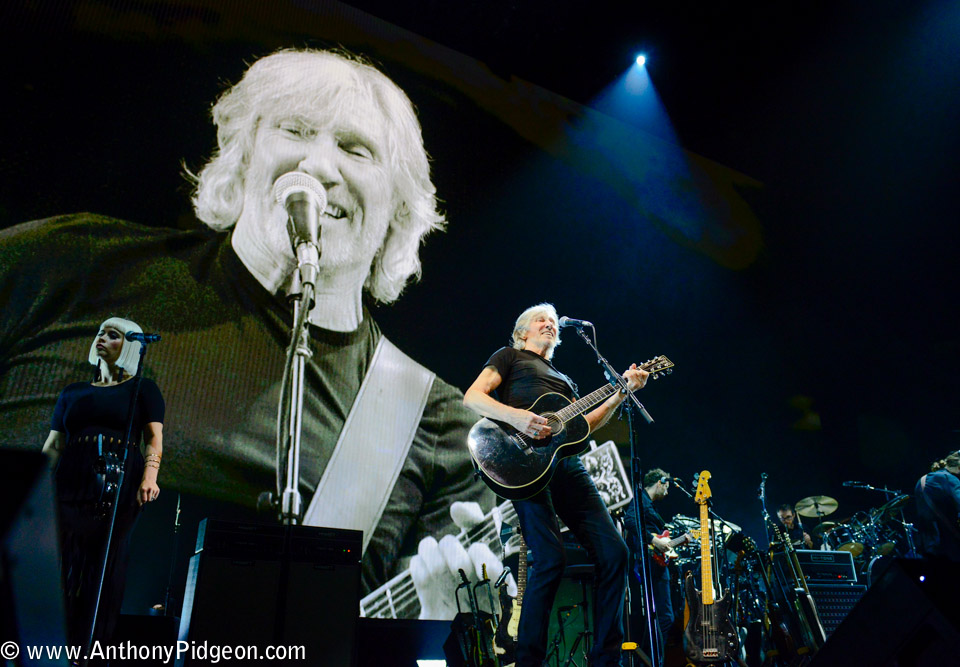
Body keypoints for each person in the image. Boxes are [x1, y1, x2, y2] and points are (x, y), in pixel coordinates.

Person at [0, 48, 493, 617]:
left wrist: (439, 632)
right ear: (242, 156)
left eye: (356, 150)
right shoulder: (64, 265)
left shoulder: (431, 425)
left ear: (398, 209)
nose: (321, 167)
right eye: (296, 129)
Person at [463, 303, 650, 667]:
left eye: (552, 322)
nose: (549, 324)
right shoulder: (509, 357)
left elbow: (584, 426)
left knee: (616, 553)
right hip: (522, 466)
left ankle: (605, 659)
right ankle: (529, 661)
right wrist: (519, 418)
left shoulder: (565, 382)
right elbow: (473, 397)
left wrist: (622, 390)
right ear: (522, 333)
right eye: (540, 320)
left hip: (567, 465)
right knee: (550, 558)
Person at [41, 317, 165, 648]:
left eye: (113, 335)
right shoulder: (72, 392)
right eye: (101, 333)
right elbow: (54, 445)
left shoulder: (143, 389)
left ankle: (92, 643)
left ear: (129, 347)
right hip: (70, 481)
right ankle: (52, 640)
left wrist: (149, 477)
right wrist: (35, 488)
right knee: (62, 559)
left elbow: (154, 439)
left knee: (103, 561)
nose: (102, 338)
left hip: (117, 481)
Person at [624, 469, 690, 665]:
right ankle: (657, 661)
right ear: (660, 482)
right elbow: (629, 521)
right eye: (667, 487)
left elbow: (663, 544)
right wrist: (654, 539)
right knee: (666, 617)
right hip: (651, 565)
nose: (667, 493)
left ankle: (648, 660)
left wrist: (678, 540)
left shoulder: (647, 504)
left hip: (655, 563)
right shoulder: (640, 499)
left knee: (658, 618)